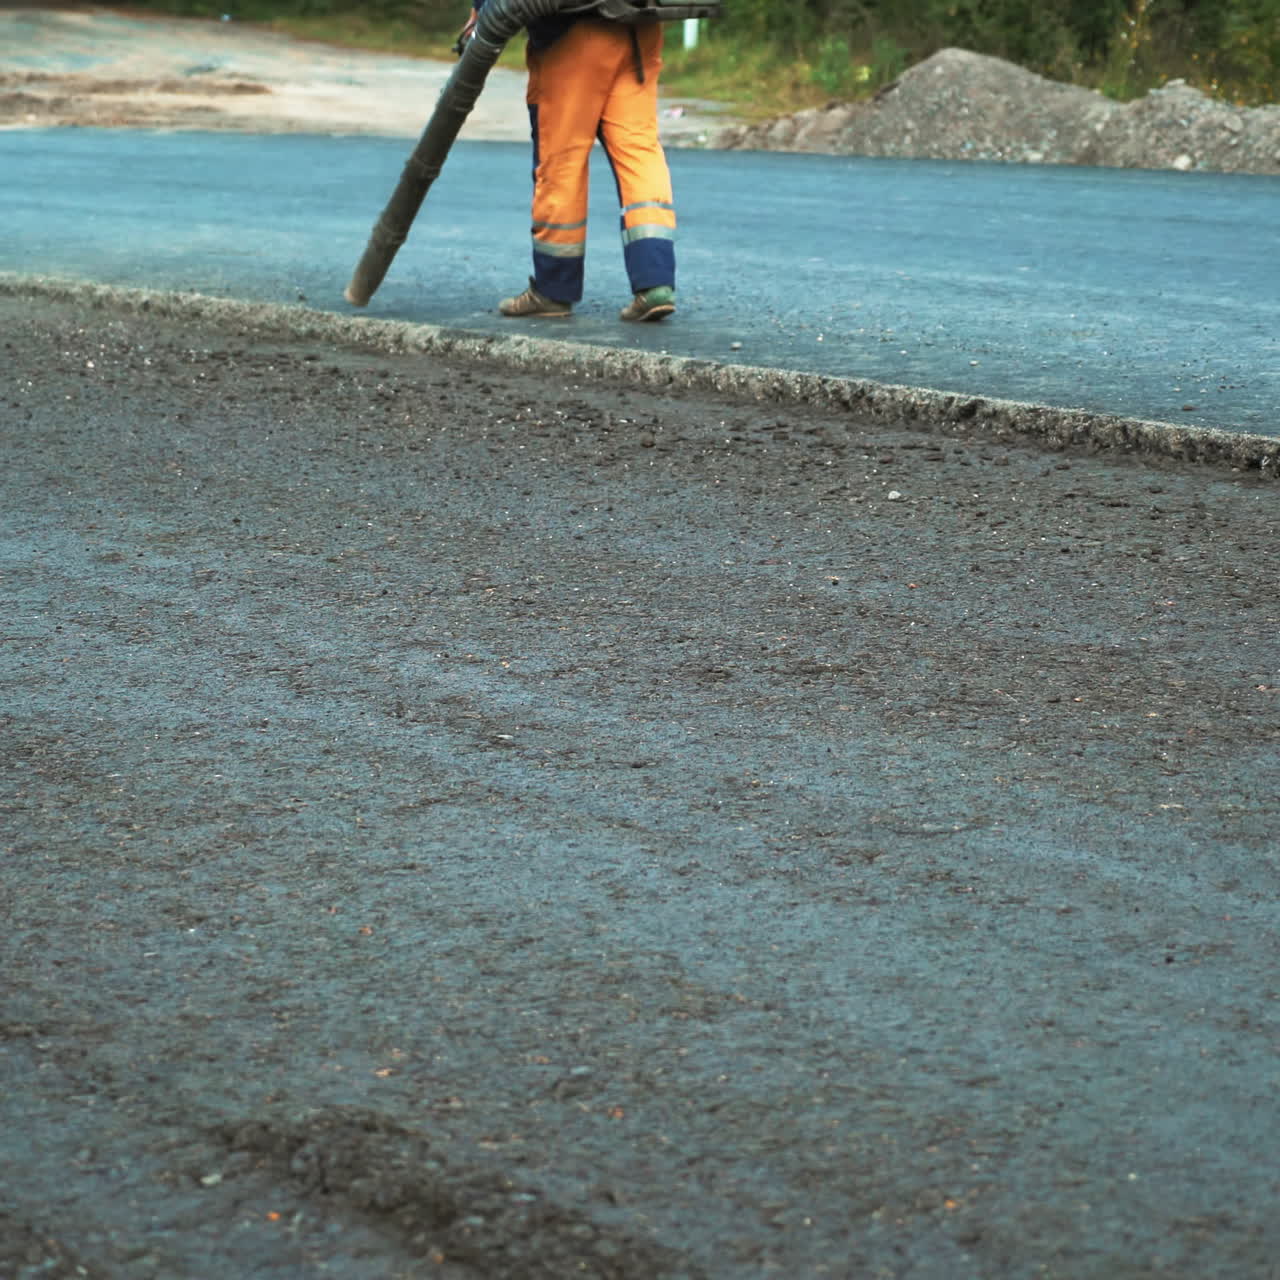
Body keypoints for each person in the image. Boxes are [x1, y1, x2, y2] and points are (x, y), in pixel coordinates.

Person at [460, 1, 678, 322]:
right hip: (638, 27)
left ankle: (553, 290)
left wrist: (482, 10)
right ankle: (655, 283)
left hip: (575, 36)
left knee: (562, 163)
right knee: (639, 153)